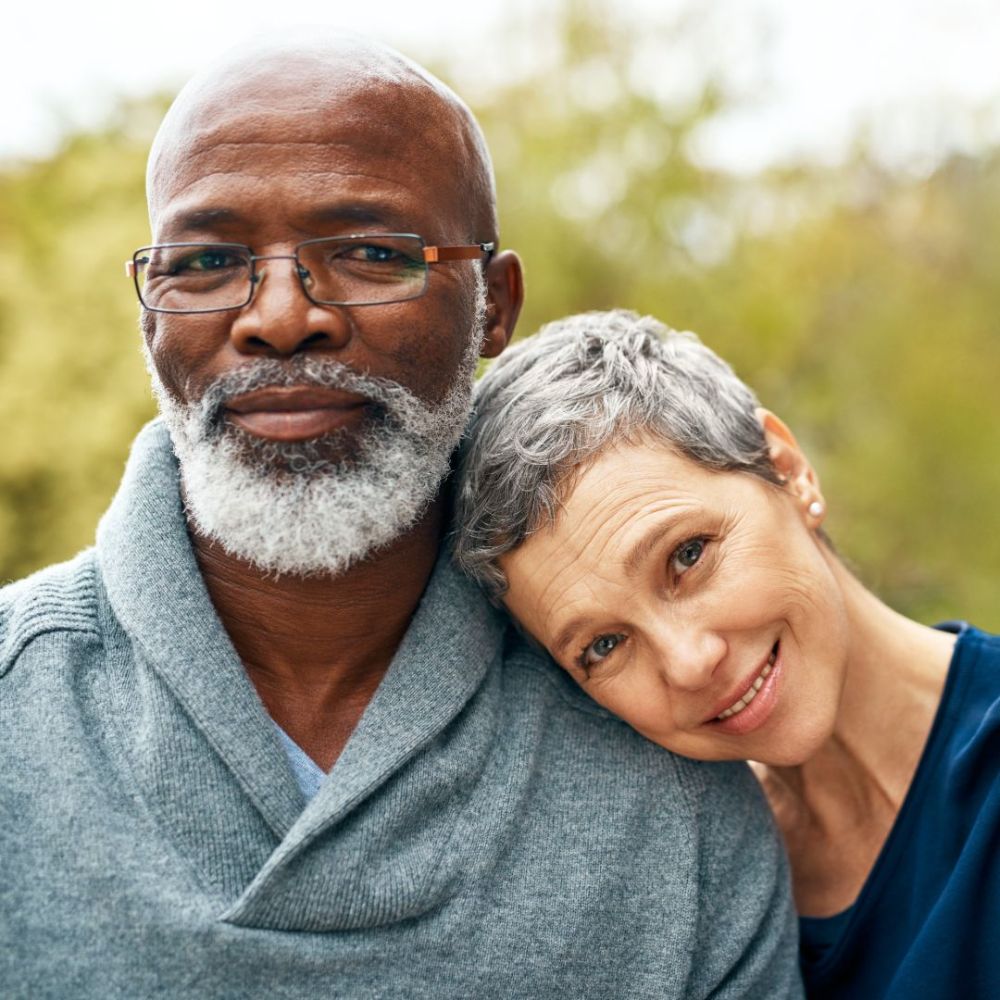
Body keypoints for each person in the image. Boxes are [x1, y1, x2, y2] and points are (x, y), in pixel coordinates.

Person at [0, 37, 802, 999]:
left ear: (493, 312)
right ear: (149, 315)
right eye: (208, 261)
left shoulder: (663, 739)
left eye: (372, 254)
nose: (282, 317)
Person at [453, 307, 1000, 999]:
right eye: (604, 645)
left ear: (788, 469)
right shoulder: (684, 888)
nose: (687, 662)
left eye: (687, 556)